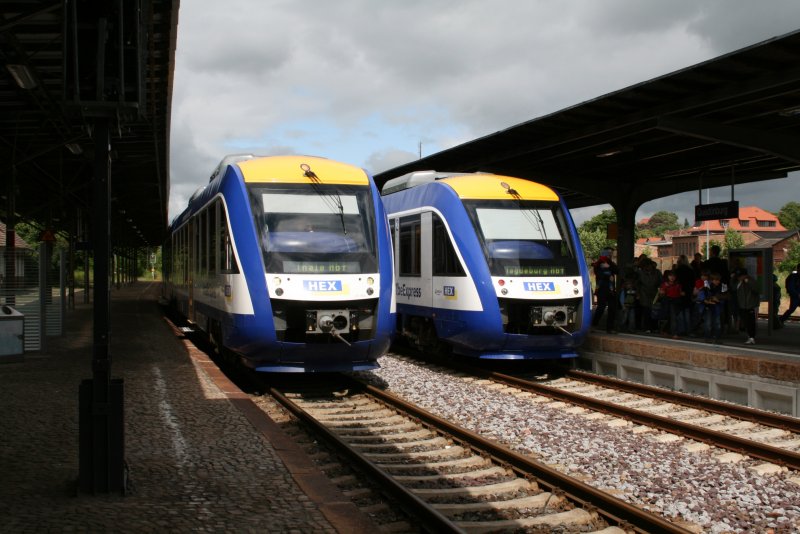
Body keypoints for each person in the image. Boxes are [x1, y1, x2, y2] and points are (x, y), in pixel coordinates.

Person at [592, 253, 618, 333]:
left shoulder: (611, 265)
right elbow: (599, 275)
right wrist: (608, 275)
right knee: (601, 308)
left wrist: (610, 265)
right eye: (608, 254)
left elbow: (617, 271)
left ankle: (610, 328)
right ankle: (594, 325)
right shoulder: (598, 265)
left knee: (612, 309)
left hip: (611, 290)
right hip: (601, 290)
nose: (610, 256)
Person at [736, 269, 761, 345]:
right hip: (742, 305)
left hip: (750, 305)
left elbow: (757, 289)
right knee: (745, 322)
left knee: (751, 322)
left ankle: (751, 337)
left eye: (741, 276)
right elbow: (733, 288)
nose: (739, 278)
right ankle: (749, 336)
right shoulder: (739, 282)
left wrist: (748, 282)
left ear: (745, 275)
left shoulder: (751, 281)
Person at [636, 259, 662, 333]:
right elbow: (637, 284)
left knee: (654, 311)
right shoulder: (641, 273)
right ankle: (647, 327)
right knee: (646, 311)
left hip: (654, 294)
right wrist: (638, 293)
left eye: (649, 265)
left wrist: (660, 291)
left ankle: (654, 327)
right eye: (646, 266)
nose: (648, 267)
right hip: (644, 294)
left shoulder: (657, 272)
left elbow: (661, 282)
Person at [702, 272, 727, 344]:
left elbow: (726, 296)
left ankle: (717, 338)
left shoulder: (723, 286)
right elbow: (704, 295)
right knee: (708, 323)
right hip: (709, 306)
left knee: (717, 323)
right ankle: (707, 337)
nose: (717, 282)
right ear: (712, 280)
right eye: (715, 280)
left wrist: (718, 299)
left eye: (718, 280)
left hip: (717, 306)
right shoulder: (707, 286)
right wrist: (709, 299)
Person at [658, 270, 683, 338]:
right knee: (672, 317)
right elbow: (661, 294)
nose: (672, 277)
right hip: (668, 302)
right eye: (670, 276)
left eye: (673, 276)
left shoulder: (678, 284)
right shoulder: (665, 284)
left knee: (672, 317)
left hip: (676, 302)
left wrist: (682, 293)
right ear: (667, 276)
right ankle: (674, 333)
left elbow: (680, 293)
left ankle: (665, 331)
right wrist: (662, 293)